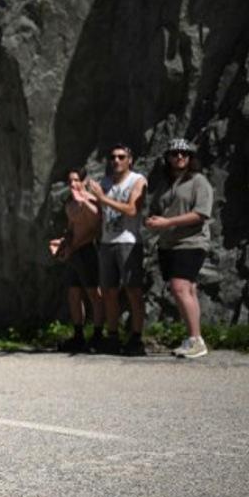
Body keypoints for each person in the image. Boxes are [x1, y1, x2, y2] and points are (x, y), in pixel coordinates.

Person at [146, 138, 213, 359]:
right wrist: (153, 220)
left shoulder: (199, 181)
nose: (180, 157)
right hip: (168, 244)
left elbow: (201, 213)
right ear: (168, 158)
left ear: (191, 157)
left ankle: (196, 340)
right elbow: (156, 208)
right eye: (175, 153)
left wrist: (167, 223)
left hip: (192, 241)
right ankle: (193, 338)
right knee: (188, 289)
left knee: (179, 287)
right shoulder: (165, 184)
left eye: (184, 154)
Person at [87, 144, 148, 355]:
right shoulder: (105, 182)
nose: (116, 161)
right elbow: (96, 212)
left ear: (130, 159)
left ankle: (137, 337)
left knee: (133, 290)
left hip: (128, 241)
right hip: (106, 241)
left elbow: (132, 209)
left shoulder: (137, 181)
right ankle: (112, 336)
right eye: (113, 157)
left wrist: (103, 198)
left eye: (121, 157)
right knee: (108, 292)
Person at [49, 168, 103, 352]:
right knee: (73, 293)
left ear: (84, 181)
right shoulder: (70, 204)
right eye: (70, 181)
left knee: (93, 293)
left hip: (87, 250)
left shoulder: (90, 201)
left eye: (76, 180)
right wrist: (63, 244)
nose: (72, 184)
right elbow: (71, 229)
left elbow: (95, 225)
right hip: (74, 252)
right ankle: (78, 335)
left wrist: (84, 201)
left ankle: (98, 335)